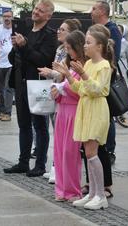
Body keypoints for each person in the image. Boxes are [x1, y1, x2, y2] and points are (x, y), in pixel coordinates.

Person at [55, 27, 114, 210]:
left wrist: (82, 74)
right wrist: (68, 76)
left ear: (99, 46)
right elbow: (81, 89)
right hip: (86, 107)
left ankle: (100, 194)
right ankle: (92, 193)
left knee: (92, 153)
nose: (85, 46)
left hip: (96, 110)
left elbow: (97, 89)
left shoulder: (104, 65)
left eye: (89, 42)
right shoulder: (88, 64)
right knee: (88, 153)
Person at [3, 0, 57, 177]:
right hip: (20, 83)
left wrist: (24, 47)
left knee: (40, 125)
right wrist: (15, 47)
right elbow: (13, 60)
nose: (36, 12)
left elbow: (43, 60)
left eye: (41, 11)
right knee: (23, 124)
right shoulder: (25, 31)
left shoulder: (49, 35)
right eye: (35, 8)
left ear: (48, 16)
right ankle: (23, 162)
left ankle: (40, 164)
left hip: (38, 84)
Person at [38, 18, 82, 183]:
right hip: (59, 93)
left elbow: (65, 74)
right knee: (57, 132)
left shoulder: (72, 53)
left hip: (68, 95)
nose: (58, 31)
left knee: (66, 138)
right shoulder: (59, 49)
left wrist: (51, 73)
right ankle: (56, 166)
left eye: (63, 30)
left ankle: (59, 168)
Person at [49, 30, 86, 202]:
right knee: (59, 151)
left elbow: (79, 90)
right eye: (66, 49)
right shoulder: (71, 65)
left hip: (74, 111)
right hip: (63, 110)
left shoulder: (82, 66)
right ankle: (62, 189)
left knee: (70, 152)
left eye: (70, 48)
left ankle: (72, 190)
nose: (68, 52)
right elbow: (65, 86)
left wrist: (64, 85)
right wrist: (56, 90)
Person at [91, 0, 121, 160]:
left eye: (94, 8)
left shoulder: (113, 30)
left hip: (105, 77)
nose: (91, 11)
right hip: (95, 75)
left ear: (103, 11)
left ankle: (109, 149)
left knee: (107, 114)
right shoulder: (97, 30)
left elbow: (111, 55)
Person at [0, 10, 14, 122]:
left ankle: (8, 113)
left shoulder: (15, 29)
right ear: (2, 18)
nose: (7, 18)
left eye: (9, 16)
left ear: (12, 17)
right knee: (0, 89)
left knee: (8, 88)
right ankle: (2, 112)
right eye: (5, 16)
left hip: (11, 63)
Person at [117, 24, 128, 90]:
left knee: (123, 89)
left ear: (123, 32)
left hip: (122, 70)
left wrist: (125, 67)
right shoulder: (112, 42)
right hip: (113, 70)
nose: (117, 32)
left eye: (119, 31)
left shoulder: (126, 44)